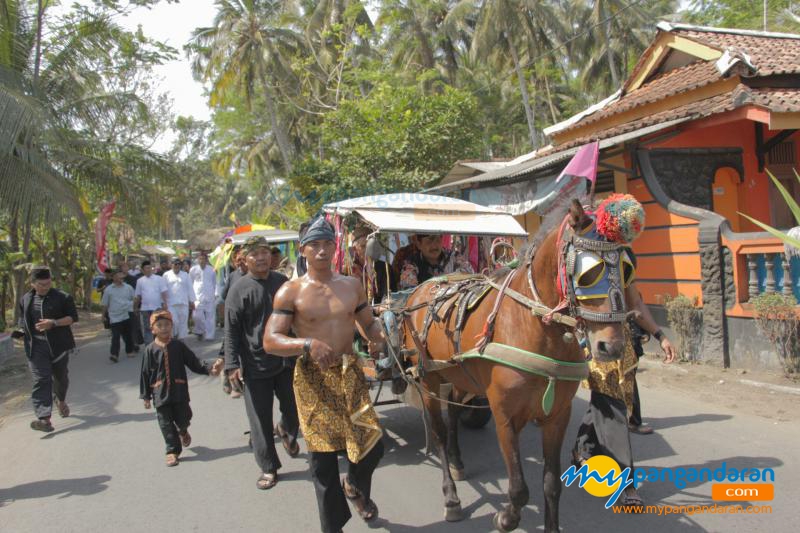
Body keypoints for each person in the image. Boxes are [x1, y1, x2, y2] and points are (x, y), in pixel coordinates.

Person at [264, 217, 386, 532]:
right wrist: (307, 343)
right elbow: (270, 340)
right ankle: (332, 527)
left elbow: (367, 323)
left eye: (327, 244)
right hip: (313, 379)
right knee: (323, 461)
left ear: (335, 247)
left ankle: (355, 484)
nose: (321, 251)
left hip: (350, 372)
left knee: (372, 443)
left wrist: (378, 339)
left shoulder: (351, 285)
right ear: (302, 249)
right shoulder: (290, 292)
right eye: (314, 245)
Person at [571, 195, 677, 508]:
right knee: (613, 410)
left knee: (605, 406)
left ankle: (581, 451)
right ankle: (624, 484)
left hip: (626, 347)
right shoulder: (584, 251)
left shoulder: (625, 257)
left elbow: (636, 302)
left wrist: (660, 334)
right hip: (599, 347)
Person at [225, 236, 298, 489]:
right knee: (259, 420)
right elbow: (231, 330)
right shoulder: (238, 289)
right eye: (255, 254)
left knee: (294, 408)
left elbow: (298, 317)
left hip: (286, 360)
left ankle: (287, 430)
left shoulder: (283, 283)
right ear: (244, 259)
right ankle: (269, 468)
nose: (261, 257)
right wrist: (231, 363)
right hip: (255, 364)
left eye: (265, 252)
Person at [140, 310, 223, 467]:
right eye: (160, 325)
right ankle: (172, 451)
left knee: (184, 417)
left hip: (179, 392)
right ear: (153, 329)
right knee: (165, 423)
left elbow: (193, 362)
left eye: (167, 325)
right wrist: (146, 396)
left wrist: (208, 369)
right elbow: (145, 373)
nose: (164, 328)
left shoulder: (178, 346)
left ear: (172, 326)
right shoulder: (150, 350)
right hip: (160, 393)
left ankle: (183, 430)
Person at [16, 266, 78, 432]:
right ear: (33, 284)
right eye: (41, 284)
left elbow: (73, 318)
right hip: (36, 347)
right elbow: (23, 321)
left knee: (61, 378)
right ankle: (44, 419)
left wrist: (54, 323)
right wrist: (21, 331)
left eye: (48, 283)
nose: (45, 287)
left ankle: (61, 400)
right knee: (41, 379)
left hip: (59, 346)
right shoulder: (26, 299)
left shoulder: (63, 297)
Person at [394, 233, 473, 290]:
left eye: (438, 240)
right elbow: (409, 292)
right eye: (429, 241)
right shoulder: (411, 264)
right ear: (418, 244)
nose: (435, 246)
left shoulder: (456, 258)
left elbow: (471, 281)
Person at [219, 247, 247, 397]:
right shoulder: (232, 276)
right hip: (234, 318)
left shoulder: (253, 276)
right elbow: (224, 295)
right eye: (238, 261)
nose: (240, 263)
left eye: (243, 260)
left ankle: (240, 384)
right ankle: (229, 381)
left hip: (248, 321)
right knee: (229, 349)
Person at [101, 270, 136, 362]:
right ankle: (114, 354)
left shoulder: (128, 287)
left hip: (127, 314)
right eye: (118, 276)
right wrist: (103, 315)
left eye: (122, 275)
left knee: (128, 334)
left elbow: (134, 299)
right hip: (114, 316)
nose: (121, 277)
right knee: (115, 336)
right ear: (113, 277)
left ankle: (129, 350)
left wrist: (135, 309)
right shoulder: (108, 290)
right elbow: (105, 304)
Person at [134, 261, 168, 345]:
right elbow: (138, 295)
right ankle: (149, 345)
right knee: (147, 327)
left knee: (158, 326)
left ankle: (159, 343)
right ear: (142, 270)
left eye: (150, 268)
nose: (148, 270)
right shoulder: (140, 281)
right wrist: (135, 307)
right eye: (146, 268)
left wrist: (164, 303)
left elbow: (163, 292)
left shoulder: (159, 279)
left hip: (157, 307)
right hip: (145, 308)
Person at [163, 258, 196, 339]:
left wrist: (192, 301)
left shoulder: (185, 275)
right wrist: (163, 302)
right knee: (174, 321)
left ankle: (181, 339)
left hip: (183, 302)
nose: (176, 266)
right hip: (171, 303)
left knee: (183, 322)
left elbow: (190, 288)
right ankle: (174, 336)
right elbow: (163, 289)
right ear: (171, 265)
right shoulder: (166, 275)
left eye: (178, 264)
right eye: (175, 264)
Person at [190, 252, 217, 341]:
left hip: (209, 295)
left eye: (203, 259)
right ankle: (200, 331)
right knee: (196, 316)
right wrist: (191, 297)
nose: (202, 261)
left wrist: (215, 294)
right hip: (197, 297)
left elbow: (214, 283)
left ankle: (210, 335)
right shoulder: (193, 270)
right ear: (197, 260)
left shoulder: (211, 269)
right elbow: (190, 283)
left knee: (210, 317)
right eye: (200, 259)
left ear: (206, 260)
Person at [119, 260, 143, 347]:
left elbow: (138, 293)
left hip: (131, 305)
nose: (125, 268)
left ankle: (135, 342)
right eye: (123, 267)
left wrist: (137, 305)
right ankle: (129, 343)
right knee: (124, 327)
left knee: (134, 325)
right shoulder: (117, 280)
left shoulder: (133, 279)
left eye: (126, 266)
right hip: (120, 307)